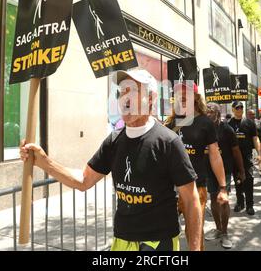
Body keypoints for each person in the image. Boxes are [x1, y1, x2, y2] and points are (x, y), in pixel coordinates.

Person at [19, 69, 202, 251]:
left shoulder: (168, 142)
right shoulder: (114, 141)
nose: (125, 98)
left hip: (158, 243)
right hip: (122, 240)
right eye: (122, 92)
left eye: (133, 91)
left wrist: (194, 249)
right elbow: (84, 181)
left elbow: (191, 201)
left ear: (152, 99)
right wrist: (43, 162)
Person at [164, 82, 228, 251]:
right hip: (168, 188)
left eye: (186, 94)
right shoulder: (170, 123)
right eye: (178, 95)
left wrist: (222, 187)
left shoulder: (205, 123)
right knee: (164, 232)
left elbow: (215, 155)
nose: (181, 97)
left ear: (195, 98)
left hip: (195, 187)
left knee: (194, 235)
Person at [204, 103, 245, 249]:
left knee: (224, 201)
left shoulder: (227, 129)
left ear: (218, 113)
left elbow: (236, 151)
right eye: (206, 110)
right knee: (213, 199)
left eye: (211, 111)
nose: (208, 113)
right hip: (208, 171)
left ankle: (225, 232)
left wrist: (241, 170)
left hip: (225, 171)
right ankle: (218, 229)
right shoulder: (204, 128)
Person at [228, 101, 261, 215]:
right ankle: (240, 202)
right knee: (238, 180)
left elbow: (255, 138)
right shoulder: (228, 124)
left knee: (248, 179)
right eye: (237, 107)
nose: (239, 109)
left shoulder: (249, 123)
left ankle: (250, 205)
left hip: (247, 157)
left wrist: (259, 153)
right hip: (234, 158)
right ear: (233, 109)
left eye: (241, 107)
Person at [247, 109, 261, 184]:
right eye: (250, 114)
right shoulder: (245, 123)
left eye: (253, 114)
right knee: (251, 162)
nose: (252, 116)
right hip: (249, 146)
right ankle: (251, 177)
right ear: (247, 115)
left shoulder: (259, 122)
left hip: (258, 146)